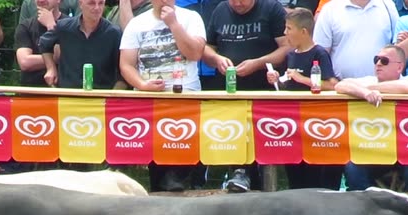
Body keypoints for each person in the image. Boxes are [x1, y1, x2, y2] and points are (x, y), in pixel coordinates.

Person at [118, 0, 206, 191]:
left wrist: (174, 25)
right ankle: (158, 191)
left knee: (184, 152)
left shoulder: (191, 18)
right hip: (150, 99)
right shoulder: (137, 23)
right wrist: (142, 84)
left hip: (185, 97)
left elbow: (195, 53)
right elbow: (126, 64)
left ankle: (184, 184)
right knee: (157, 160)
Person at [204, 0, 287, 192]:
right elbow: (208, 46)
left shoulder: (271, 8)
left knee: (263, 140)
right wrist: (217, 59)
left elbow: (286, 47)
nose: (237, 4)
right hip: (229, 89)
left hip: (263, 88)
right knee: (233, 134)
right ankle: (238, 176)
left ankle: (267, 187)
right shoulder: (221, 10)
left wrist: (258, 63)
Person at [264, 7, 338, 190]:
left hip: (315, 120)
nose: (284, 33)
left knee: (314, 172)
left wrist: (302, 78)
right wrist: (278, 81)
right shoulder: (290, 55)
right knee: (295, 170)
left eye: (289, 29)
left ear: (303, 32)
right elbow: (290, 84)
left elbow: (332, 84)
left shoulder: (319, 53)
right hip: (293, 121)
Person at [336, 44, 408, 192]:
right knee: (352, 167)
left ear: (399, 67)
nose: (378, 64)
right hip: (371, 150)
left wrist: (369, 89)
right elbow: (340, 85)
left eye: (384, 61)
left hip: (403, 152)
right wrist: (363, 93)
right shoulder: (369, 80)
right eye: (376, 59)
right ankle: (366, 210)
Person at [39, 0, 123, 89]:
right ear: (80, 4)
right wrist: (51, 68)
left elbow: (122, 70)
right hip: (68, 94)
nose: (97, 8)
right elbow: (44, 43)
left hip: (101, 96)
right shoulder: (64, 27)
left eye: (101, 3)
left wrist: (113, 95)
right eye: (91, 3)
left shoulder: (114, 33)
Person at [313, 0, 399, 82]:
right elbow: (321, 54)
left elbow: (397, 48)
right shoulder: (330, 9)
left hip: (382, 88)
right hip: (342, 90)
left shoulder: (388, 6)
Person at [17, 0, 63, 87]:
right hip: (32, 92)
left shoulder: (71, 25)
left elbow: (67, 57)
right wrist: (60, 59)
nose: (41, 0)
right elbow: (25, 62)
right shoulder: (25, 26)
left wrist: (51, 26)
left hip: (64, 92)